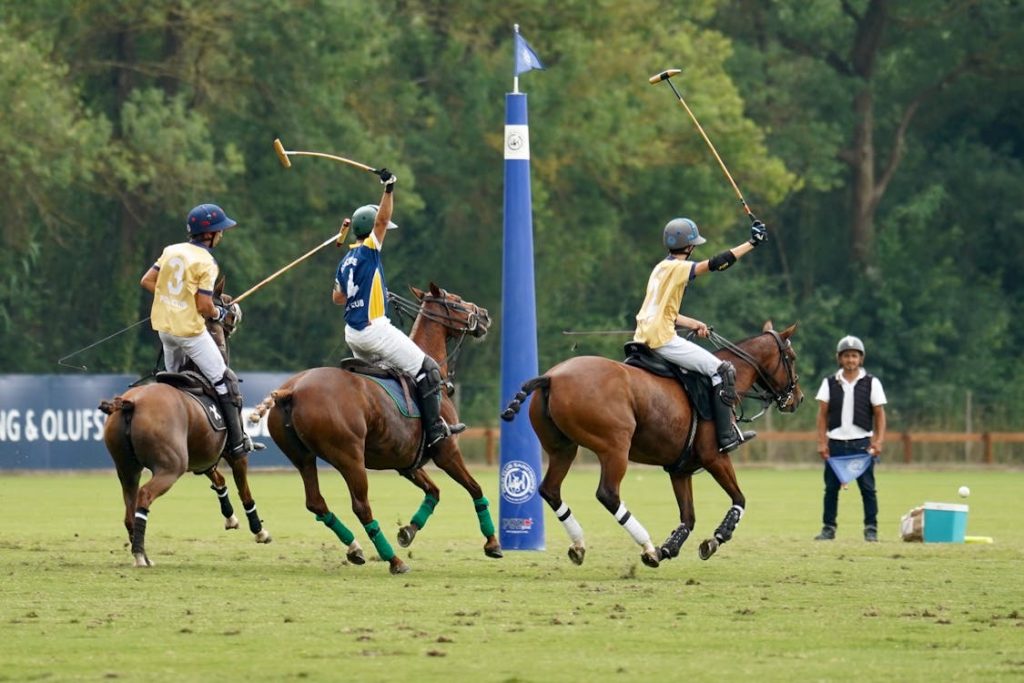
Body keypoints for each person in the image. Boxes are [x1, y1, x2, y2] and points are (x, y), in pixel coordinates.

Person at [332, 169, 465, 447]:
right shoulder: (369, 250)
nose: (384, 233)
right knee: (428, 370)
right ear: (370, 231)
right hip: (374, 330)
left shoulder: (345, 261)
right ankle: (435, 431)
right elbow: (382, 219)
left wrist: (372, 291)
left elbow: (338, 298)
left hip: (353, 334)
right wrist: (389, 187)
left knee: (394, 377)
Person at [633, 216, 768, 452]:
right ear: (690, 246)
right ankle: (727, 436)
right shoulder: (678, 268)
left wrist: (693, 322)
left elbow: (667, 312)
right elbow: (716, 263)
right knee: (723, 370)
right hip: (663, 339)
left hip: (644, 336)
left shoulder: (660, 268)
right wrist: (752, 243)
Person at [140, 203, 252, 457]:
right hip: (188, 332)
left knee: (173, 383)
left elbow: (147, 281)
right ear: (209, 234)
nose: (222, 235)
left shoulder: (172, 250)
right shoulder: (207, 262)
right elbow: (204, 306)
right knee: (225, 380)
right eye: (220, 231)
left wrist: (174, 297)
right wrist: (220, 312)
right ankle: (236, 444)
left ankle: (174, 434)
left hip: (164, 331)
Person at [814, 335, 888, 542]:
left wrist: (879, 441)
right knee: (830, 489)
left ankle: (871, 528)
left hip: (862, 444)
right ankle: (828, 528)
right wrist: (822, 442)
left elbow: (880, 414)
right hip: (836, 443)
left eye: (854, 356)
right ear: (839, 358)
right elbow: (822, 415)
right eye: (846, 356)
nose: (850, 360)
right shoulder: (829, 383)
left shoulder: (871, 382)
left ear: (861, 359)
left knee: (868, 488)